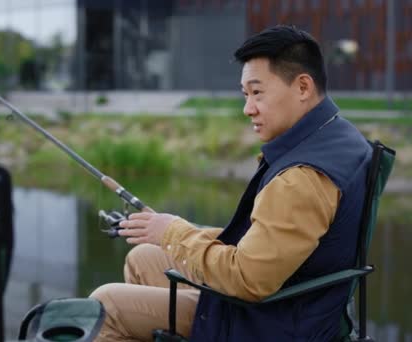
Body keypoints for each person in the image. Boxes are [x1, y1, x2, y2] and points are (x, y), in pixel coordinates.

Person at [90, 25, 372, 341]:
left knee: (105, 304)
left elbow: (247, 279)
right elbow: (274, 241)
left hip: (267, 321)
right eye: (245, 94)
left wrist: (173, 233)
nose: (248, 108)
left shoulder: (301, 178)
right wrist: (174, 231)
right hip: (294, 299)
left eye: (257, 92)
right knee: (143, 257)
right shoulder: (340, 137)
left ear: (303, 87)